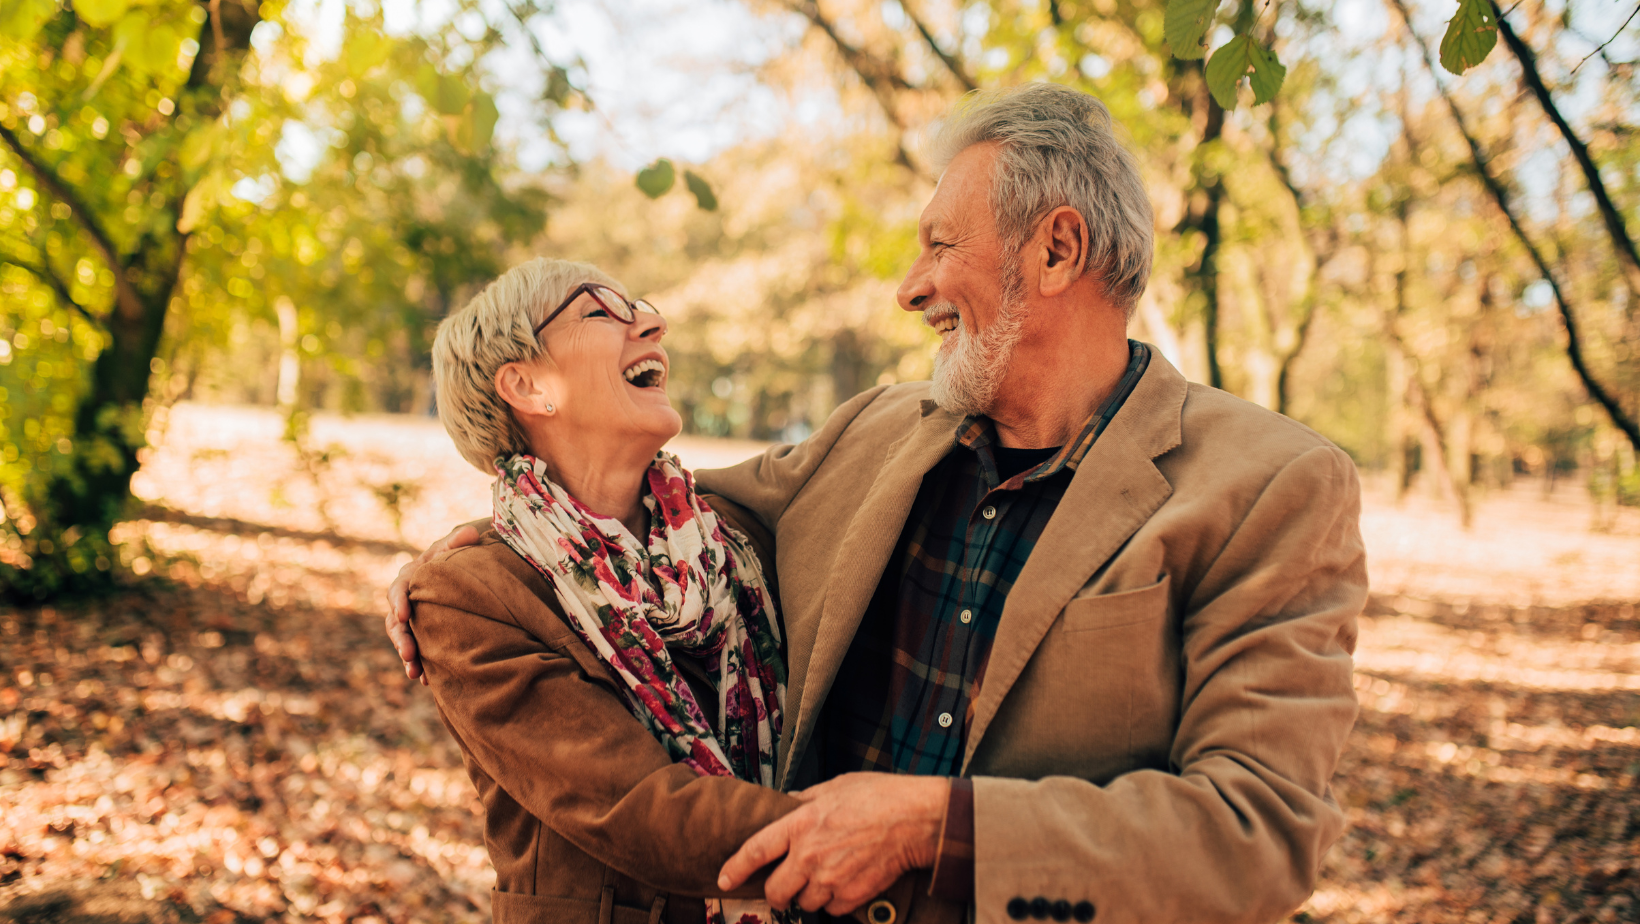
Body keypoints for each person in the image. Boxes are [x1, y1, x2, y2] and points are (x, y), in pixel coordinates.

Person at [388, 84, 1365, 924]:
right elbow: (626, 518)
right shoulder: (874, 434)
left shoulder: (1268, 486)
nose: (910, 288)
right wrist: (457, 561)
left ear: (1057, 250)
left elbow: (1258, 836)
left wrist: (932, 826)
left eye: (939, 244)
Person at [401, 258, 923, 924]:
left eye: (639, 306)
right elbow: (636, 808)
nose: (652, 321)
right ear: (528, 385)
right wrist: (900, 844)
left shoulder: (735, 534)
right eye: (599, 312)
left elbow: (916, 422)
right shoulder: (466, 595)